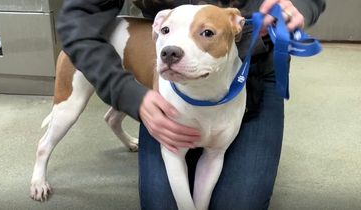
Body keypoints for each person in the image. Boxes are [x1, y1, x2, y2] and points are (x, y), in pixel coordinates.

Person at [57, 0, 326, 209]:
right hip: (170, 88)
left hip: (252, 72)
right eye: (163, 31)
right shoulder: (167, 47)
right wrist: (129, 94)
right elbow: (79, 21)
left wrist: (296, 6)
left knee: (238, 204)